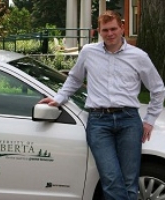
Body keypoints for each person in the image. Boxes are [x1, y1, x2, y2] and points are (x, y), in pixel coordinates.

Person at [39, 10, 165, 200]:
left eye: (114, 28)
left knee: (129, 180)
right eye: (105, 30)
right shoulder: (89, 52)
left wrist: (149, 120)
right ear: (99, 31)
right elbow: (74, 79)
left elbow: (157, 88)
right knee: (111, 178)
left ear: (122, 28)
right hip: (99, 122)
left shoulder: (139, 56)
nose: (110, 34)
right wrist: (59, 98)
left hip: (129, 121)